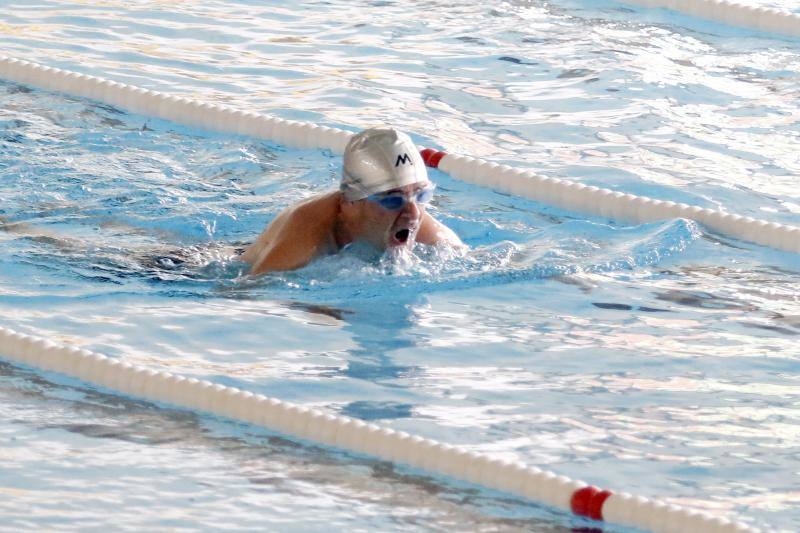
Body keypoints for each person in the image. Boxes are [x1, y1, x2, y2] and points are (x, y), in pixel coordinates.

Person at [240, 127, 462, 275]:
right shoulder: (306, 233)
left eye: (421, 195)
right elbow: (247, 294)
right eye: (393, 200)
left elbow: (469, 262)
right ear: (350, 204)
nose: (413, 214)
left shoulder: (420, 225)